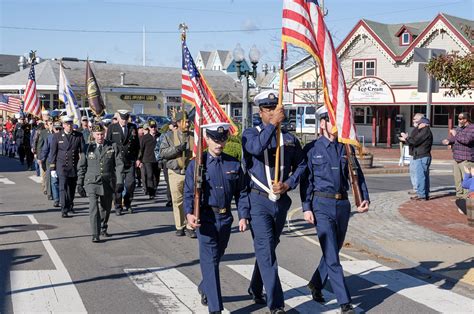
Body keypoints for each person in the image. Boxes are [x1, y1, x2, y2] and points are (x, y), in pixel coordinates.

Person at [241, 90, 306, 314]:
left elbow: (302, 165)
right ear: (261, 112)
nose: (274, 112)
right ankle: (276, 304)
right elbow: (256, 148)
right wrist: (272, 126)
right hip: (258, 201)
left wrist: (288, 184)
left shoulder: (289, 139)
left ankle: (255, 286)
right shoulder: (251, 133)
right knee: (267, 250)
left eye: (276, 108)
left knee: (268, 248)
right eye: (269, 109)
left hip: (280, 201)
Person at [300, 106, 370, 314]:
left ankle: (315, 283)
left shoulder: (345, 148)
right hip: (321, 205)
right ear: (322, 123)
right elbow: (307, 182)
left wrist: (363, 198)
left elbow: (356, 175)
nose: (337, 125)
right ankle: (345, 303)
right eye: (332, 120)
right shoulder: (311, 149)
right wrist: (306, 207)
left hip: (342, 205)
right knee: (332, 255)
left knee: (333, 250)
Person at [184, 123, 248, 314]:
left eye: (222, 139)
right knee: (210, 261)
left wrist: (243, 215)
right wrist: (189, 214)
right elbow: (188, 193)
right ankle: (216, 308)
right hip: (206, 218)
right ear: (207, 140)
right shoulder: (197, 164)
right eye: (215, 139)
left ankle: (205, 287)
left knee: (215, 258)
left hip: (225, 218)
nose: (219, 143)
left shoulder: (233, 164)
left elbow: (242, 192)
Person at [77, 124, 124, 242]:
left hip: (107, 182)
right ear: (93, 135)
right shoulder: (87, 148)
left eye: (102, 134)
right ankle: (95, 233)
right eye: (97, 134)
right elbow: (82, 166)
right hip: (92, 182)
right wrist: (79, 183)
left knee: (106, 207)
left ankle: (103, 225)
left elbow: (119, 165)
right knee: (93, 208)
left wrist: (119, 181)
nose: (100, 137)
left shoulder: (112, 146)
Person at [159, 112, 196, 238]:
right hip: (175, 172)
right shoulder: (169, 136)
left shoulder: (193, 136)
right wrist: (177, 149)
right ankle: (180, 225)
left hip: (191, 173)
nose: (188, 124)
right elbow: (163, 153)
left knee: (191, 199)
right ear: (179, 123)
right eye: (185, 121)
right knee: (177, 201)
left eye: (188, 121)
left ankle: (190, 226)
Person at [49, 116, 85, 217]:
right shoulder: (57, 136)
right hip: (61, 165)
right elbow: (53, 153)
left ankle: (70, 205)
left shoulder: (78, 135)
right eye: (67, 124)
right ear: (63, 125)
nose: (69, 126)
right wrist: (52, 168)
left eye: (71, 124)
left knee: (72, 188)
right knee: (62, 187)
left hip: (73, 165)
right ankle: (64, 209)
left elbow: (82, 152)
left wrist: (83, 164)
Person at [106, 109, 140, 215]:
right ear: (119, 118)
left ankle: (127, 202)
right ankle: (117, 206)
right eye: (122, 119)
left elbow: (137, 145)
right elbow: (108, 144)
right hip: (117, 162)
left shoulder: (132, 127)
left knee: (131, 184)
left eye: (126, 119)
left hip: (130, 160)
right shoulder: (112, 127)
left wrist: (138, 158)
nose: (124, 121)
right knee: (118, 185)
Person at [400, 114, 433, 201]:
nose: (417, 125)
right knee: (422, 176)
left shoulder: (425, 131)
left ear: (423, 124)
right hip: (420, 155)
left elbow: (415, 141)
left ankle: (421, 195)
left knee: (421, 176)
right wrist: (407, 139)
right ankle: (423, 194)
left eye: (419, 123)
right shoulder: (422, 131)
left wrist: (406, 138)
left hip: (422, 156)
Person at [442, 112, 474, 199]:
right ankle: (459, 195)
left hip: (466, 158)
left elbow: (466, 140)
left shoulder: (472, 128)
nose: (458, 120)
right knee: (458, 179)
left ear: (465, 119)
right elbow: (454, 138)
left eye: (460, 119)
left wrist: (456, 134)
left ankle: (467, 197)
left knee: (467, 179)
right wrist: (448, 140)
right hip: (457, 157)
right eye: (458, 118)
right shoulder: (460, 128)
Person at [41, 120, 62, 207]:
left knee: (62, 181)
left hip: (62, 162)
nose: (58, 130)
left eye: (60, 129)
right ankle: (55, 197)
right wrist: (42, 159)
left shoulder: (64, 137)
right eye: (56, 129)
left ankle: (62, 198)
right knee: (53, 181)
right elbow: (45, 150)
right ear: (53, 129)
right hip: (51, 162)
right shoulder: (49, 138)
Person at [138, 120, 161, 199]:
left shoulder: (160, 136)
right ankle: (151, 193)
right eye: (151, 127)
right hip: (147, 159)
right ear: (149, 128)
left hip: (157, 160)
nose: (153, 128)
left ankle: (154, 188)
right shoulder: (145, 138)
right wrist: (139, 159)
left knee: (156, 177)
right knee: (150, 176)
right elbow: (141, 149)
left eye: (154, 127)